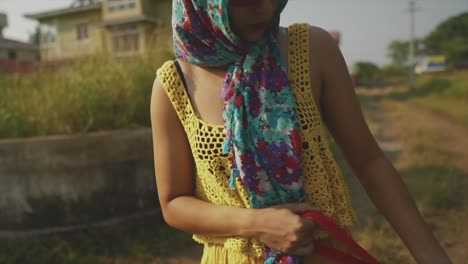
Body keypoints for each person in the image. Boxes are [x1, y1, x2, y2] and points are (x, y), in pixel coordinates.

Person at [150, 0, 453, 263]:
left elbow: (370, 162)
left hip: (323, 254)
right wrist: (255, 223)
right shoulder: (173, 85)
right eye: (244, 1)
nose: (265, 8)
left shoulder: (311, 50)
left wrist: (432, 257)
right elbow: (173, 202)